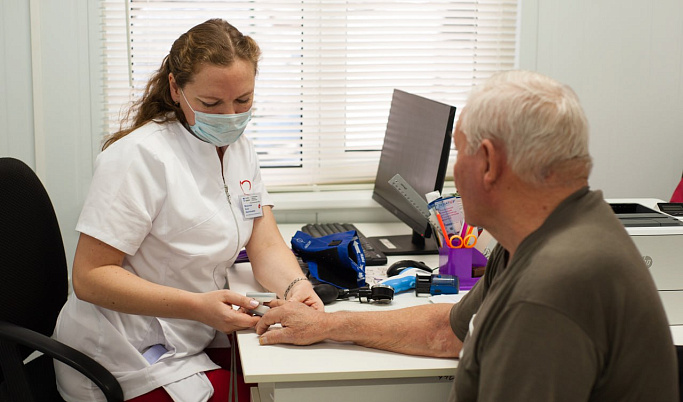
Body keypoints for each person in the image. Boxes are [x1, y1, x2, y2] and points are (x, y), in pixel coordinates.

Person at [256, 70, 679, 401]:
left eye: (459, 153)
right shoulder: (533, 238)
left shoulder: (552, 288)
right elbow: (449, 330)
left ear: (490, 163)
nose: (453, 173)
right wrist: (326, 324)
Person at [53, 19, 323, 402]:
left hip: (190, 331)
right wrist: (197, 306)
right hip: (126, 354)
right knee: (267, 394)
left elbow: (263, 242)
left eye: (243, 100)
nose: (230, 116)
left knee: (291, 375)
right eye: (212, 104)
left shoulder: (239, 149)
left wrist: (298, 288)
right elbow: (91, 277)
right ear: (175, 89)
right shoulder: (138, 158)